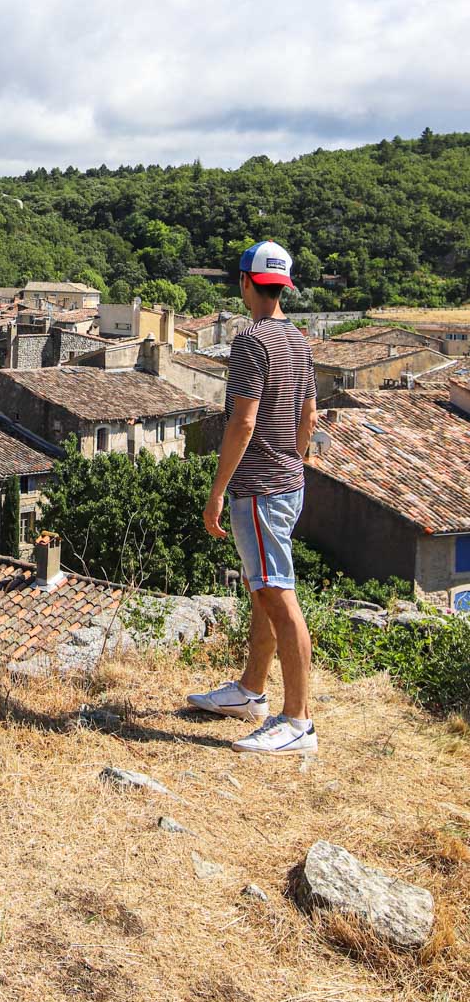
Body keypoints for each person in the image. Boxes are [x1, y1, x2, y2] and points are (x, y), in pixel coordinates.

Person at [188, 241, 320, 754]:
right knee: (261, 589)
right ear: (283, 286)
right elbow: (307, 417)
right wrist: (294, 459)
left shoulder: (249, 342)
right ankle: (250, 691)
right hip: (289, 481)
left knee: (277, 595)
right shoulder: (299, 342)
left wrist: (217, 491)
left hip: (258, 487)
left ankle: (297, 721)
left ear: (245, 282)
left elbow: (241, 422)